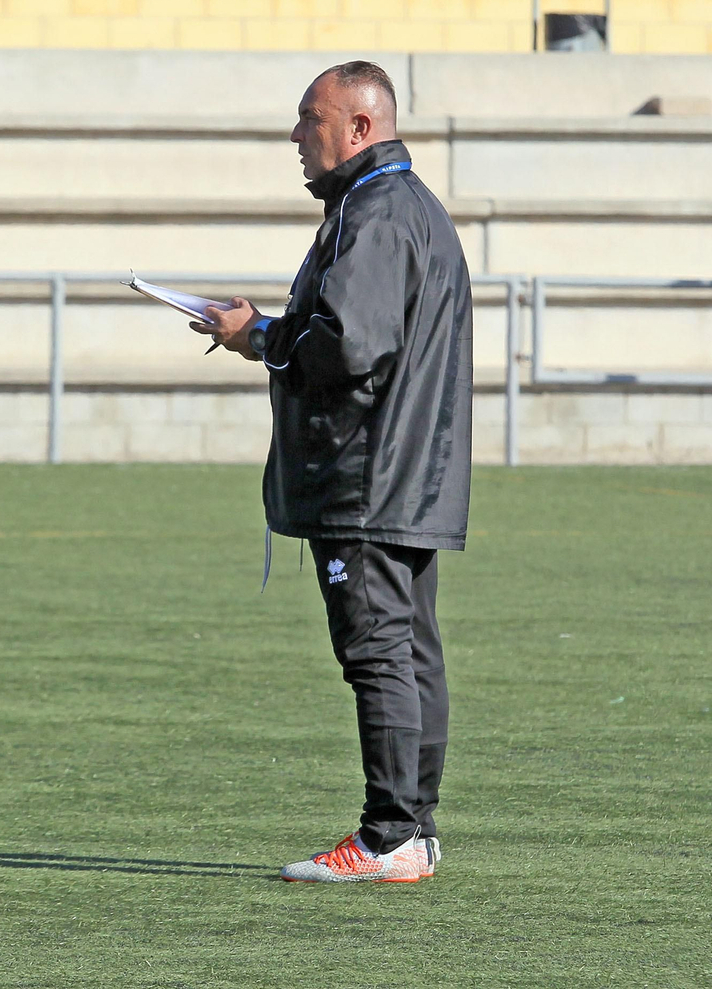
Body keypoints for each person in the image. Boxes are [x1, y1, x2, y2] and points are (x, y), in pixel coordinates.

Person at [196, 61, 473, 884]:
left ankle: (389, 836)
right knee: (409, 650)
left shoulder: (378, 211)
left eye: (309, 120)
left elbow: (350, 345)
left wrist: (260, 338)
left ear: (360, 127)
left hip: (368, 475)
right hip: (404, 472)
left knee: (379, 651)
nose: (296, 136)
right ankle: (413, 831)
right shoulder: (403, 205)